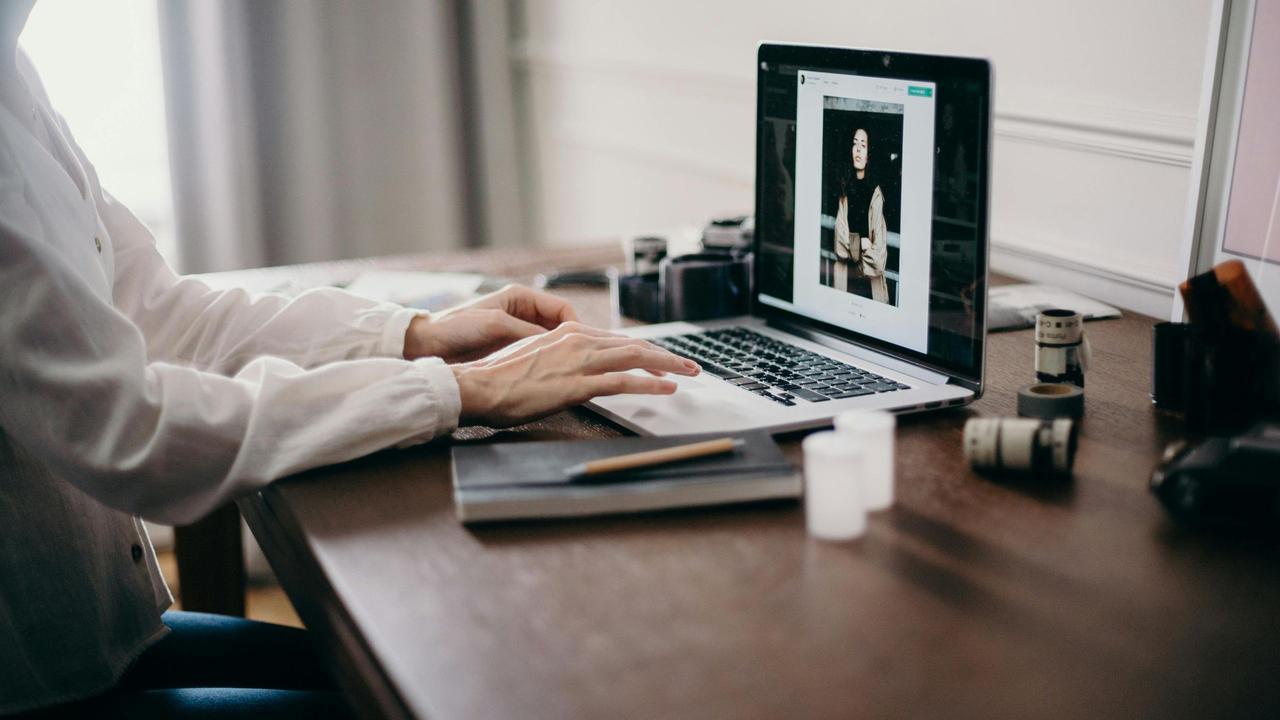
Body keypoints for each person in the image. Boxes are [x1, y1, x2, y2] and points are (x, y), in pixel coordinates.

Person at [0, 3, 696, 717]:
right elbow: (132, 432)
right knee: (465, 693)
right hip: (35, 688)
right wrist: (455, 390)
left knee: (449, 678)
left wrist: (414, 335)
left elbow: (160, 314)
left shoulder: (14, 66)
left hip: (95, 639)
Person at [832, 127, 889, 303]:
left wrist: (852, 250)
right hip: (846, 281)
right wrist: (861, 243)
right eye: (854, 144)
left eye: (863, 145)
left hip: (869, 287)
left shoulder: (876, 194)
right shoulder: (845, 191)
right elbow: (839, 245)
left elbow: (879, 257)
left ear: (869, 153)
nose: (857, 149)